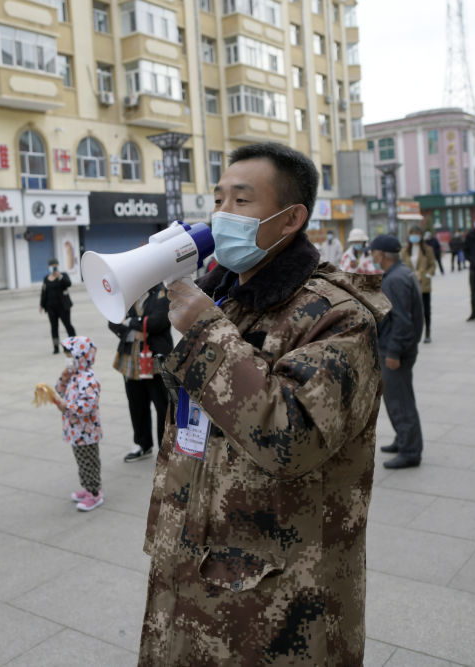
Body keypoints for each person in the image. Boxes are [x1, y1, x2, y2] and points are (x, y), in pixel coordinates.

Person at [140, 142, 389, 663]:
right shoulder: (223, 296)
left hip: (281, 605)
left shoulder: (337, 318)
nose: (221, 215)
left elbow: (291, 438)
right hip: (191, 574)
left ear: (289, 219)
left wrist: (204, 330)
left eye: (242, 201)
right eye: (218, 199)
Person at [370, 235, 424, 469]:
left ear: (381, 254)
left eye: (373, 251)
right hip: (398, 347)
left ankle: (410, 450)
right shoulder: (401, 273)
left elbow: (402, 321)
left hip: (396, 350)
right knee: (397, 398)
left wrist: (393, 352)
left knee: (400, 400)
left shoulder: (395, 280)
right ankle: (402, 439)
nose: (371, 256)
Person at [107, 283, 173, 463]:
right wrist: (134, 332)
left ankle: (165, 448)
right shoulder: (127, 293)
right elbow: (112, 320)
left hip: (154, 361)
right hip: (130, 359)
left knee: (162, 406)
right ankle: (142, 444)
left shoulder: (162, 293)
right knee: (136, 404)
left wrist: (129, 321)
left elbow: (158, 322)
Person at [42, 336, 104, 511]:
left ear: (81, 356)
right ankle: (87, 488)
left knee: (89, 462)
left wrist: (66, 407)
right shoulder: (74, 375)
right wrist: (65, 375)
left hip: (88, 431)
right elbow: (60, 390)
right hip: (75, 430)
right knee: (81, 461)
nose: (67, 358)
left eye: (70, 355)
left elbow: (88, 404)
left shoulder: (89, 378)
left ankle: (95, 493)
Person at [400, 226, 436, 343]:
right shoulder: (404, 251)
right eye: (412, 234)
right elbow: (401, 266)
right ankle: (413, 333)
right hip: (409, 284)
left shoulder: (428, 249)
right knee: (410, 311)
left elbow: (432, 265)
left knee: (426, 310)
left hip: (424, 284)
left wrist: (426, 275)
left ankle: (428, 333)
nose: (414, 236)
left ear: (421, 236)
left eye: (417, 234)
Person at [39, 258, 76, 354]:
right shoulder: (46, 278)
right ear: (49, 267)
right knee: (54, 327)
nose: (53, 268)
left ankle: (73, 344)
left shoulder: (63, 275)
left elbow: (68, 284)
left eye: (55, 266)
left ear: (58, 266)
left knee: (68, 325)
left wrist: (59, 276)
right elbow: (44, 292)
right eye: (51, 266)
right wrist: (41, 305)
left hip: (63, 307)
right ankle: (56, 347)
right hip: (51, 308)